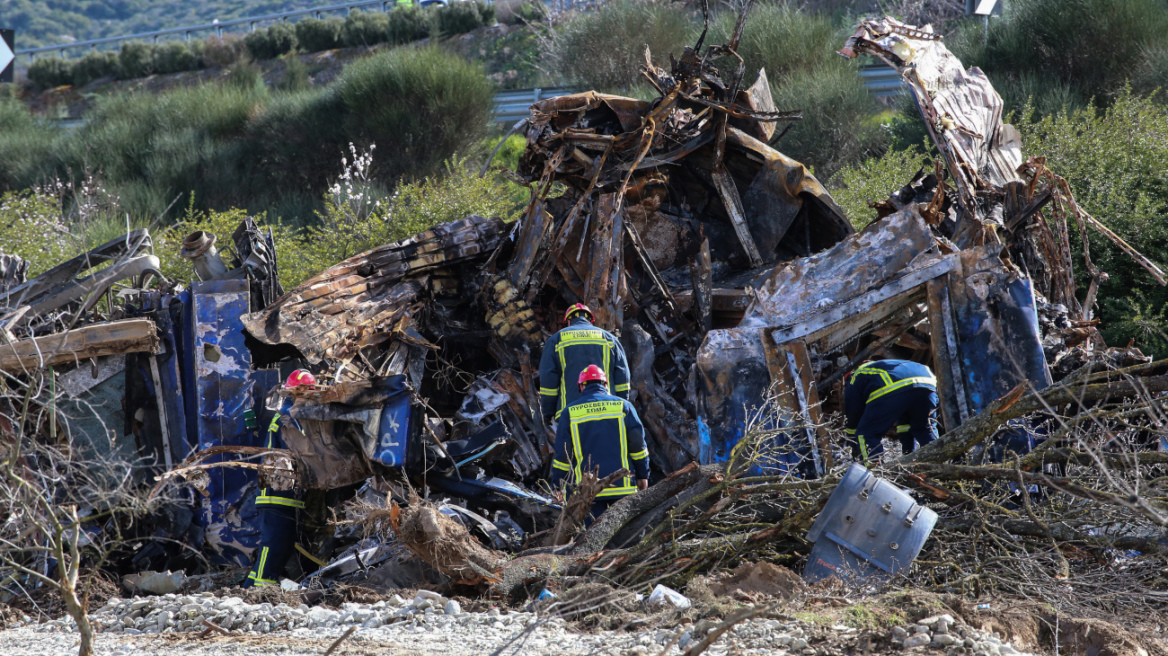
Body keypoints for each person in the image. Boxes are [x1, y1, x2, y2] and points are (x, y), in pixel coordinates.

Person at [243, 369, 314, 587]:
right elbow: (301, 450)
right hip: (277, 496)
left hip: (282, 496)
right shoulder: (289, 417)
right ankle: (255, 591)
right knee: (272, 546)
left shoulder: (286, 413)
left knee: (279, 547)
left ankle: (257, 587)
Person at [551, 365, 649, 521]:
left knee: (592, 540)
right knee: (628, 538)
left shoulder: (570, 412)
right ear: (605, 384)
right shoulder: (623, 406)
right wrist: (643, 475)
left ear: (581, 386)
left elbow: (563, 456)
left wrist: (558, 487)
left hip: (589, 491)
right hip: (623, 487)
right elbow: (638, 446)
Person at [538, 303, 631, 426]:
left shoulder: (556, 340)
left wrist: (548, 412)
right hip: (608, 410)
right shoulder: (609, 338)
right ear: (590, 320)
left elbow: (548, 378)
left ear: (569, 321)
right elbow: (623, 377)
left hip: (571, 412)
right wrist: (622, 405)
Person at [844, 359, 938, 463]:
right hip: (928, 383)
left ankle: (875, 475)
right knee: (924, 429)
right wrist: (908, 452)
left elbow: (853, 415)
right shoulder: (885, 365)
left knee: (866, 434)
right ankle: (936, 465)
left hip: (893, 386)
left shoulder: (855, 376)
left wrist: (853, 443)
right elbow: (904, 425)